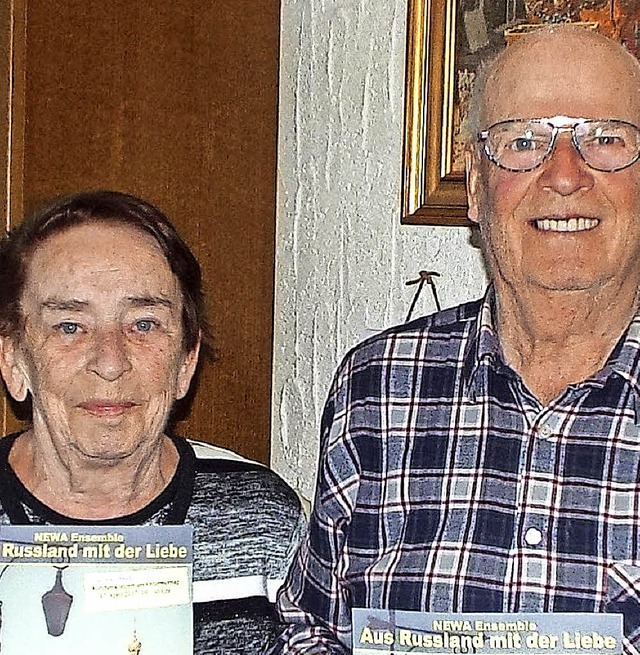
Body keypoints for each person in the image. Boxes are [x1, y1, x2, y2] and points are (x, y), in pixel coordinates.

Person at [268, 24, 640, 654]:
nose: (566, 175)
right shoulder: (377, 385)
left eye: (605, 139)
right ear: (473, 184)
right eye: (525, 141)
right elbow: (310, 626)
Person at [0, 190, 306, 653]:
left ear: (186, 359)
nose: (109, 361)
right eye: (69, 326)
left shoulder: (264, 520)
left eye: (143, 324)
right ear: (13, 358)